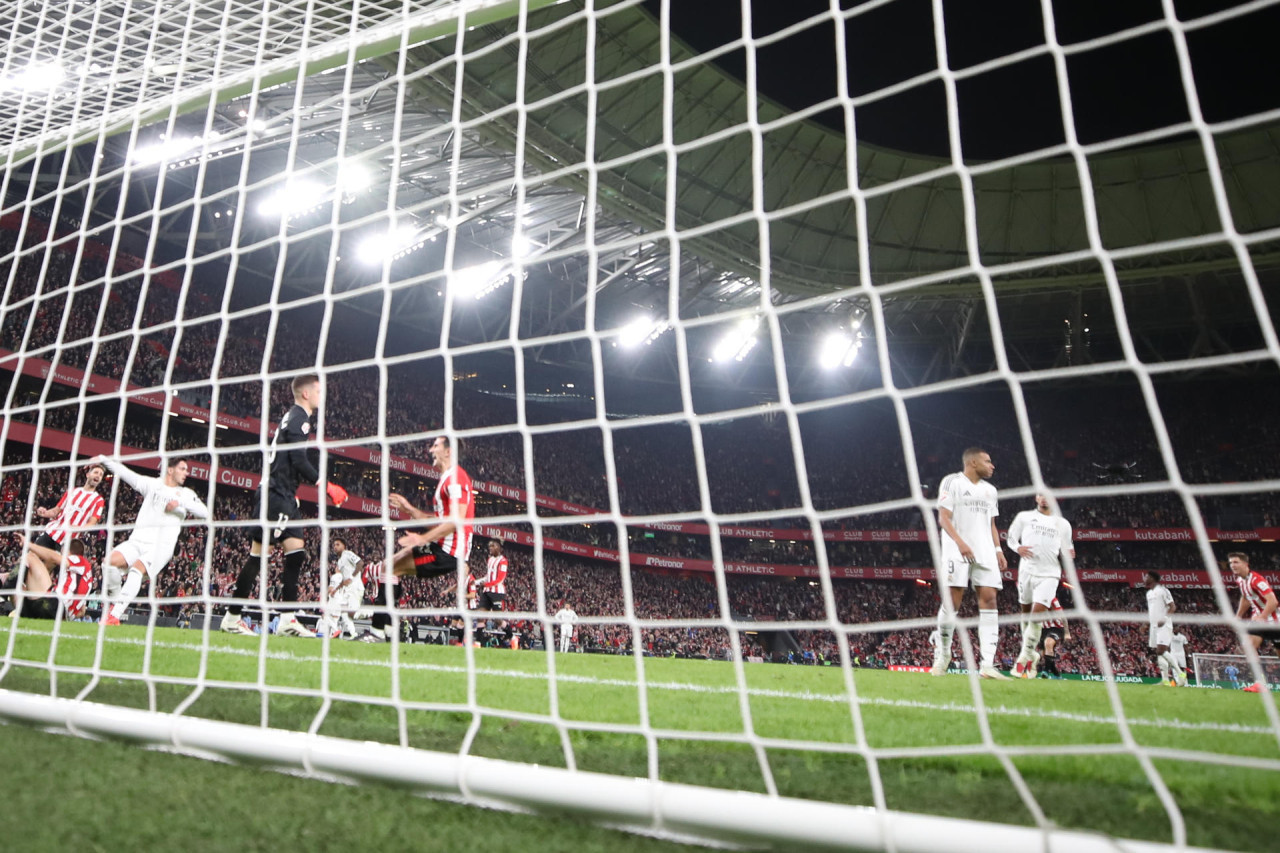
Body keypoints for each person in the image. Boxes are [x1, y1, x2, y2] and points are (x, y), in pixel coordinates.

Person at [220, 374, 348, 638]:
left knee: (296, 552)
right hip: (275, 495)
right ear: (305, 394)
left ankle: (288, 618)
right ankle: (232, 619)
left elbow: (285, 460)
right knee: (258, 557)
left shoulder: (293, 417)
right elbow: (298, 459)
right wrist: (326, 485)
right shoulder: (300, 419)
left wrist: (292, 493)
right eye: (318, 391)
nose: (321, 396)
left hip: (283, 495)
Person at [361, 435, 473, 643]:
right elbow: (440, 521)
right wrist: (410, 509)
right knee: (389, 567)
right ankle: (387, 630)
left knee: (390, 568)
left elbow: (455, 521)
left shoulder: (456, 478)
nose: (430, 450)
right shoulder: (447, 479)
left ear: (448, 451)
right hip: (443, 547)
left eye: (435, 446)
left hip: (449, 551)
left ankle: (378, 632)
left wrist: (422, 539)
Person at [96, 456, 210, 626]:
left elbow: (205, 512)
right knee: (108, 563)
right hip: (138, 540)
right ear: (170, 470)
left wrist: (179, 502)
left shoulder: (186, 494)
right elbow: (127, 474)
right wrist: (104, 460)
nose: (186, 473)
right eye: (182, 468)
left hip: (160, 547)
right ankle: (116, 601)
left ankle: (115, 615)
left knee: (136, 570)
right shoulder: (153, 485)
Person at [931, 447, 1009, 680]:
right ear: (973, 462)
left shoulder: (990, 491)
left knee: (990, 600)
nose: (992, 465)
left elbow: (991, 524)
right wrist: (960, 543)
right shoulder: (952, 482)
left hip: (985, 551)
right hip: (957, 550)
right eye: (988, 461)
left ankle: (987, 665)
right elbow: (943, 518)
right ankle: (943, 654)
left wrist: (998, 549)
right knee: (952, 602)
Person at [11, 462, 105, 606]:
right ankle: (10, 585)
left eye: (101, 475)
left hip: (65, 542)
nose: (98, 476)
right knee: (29, 557)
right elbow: (56, 511)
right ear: (88, 474)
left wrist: (78, 529)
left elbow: (92, 522)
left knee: (46, 568)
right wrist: (44, 512)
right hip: (51, 531)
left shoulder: (98, 500)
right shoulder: (72, 491)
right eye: (96, 472)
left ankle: (31, 600)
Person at [1006, 493, 1074, 678]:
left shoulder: (1063, 524)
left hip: (1050, 574)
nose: (1044, 498)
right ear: (1036, 498)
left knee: (1036, 616)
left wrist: (1069, 554)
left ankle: (1023, 658)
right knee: (1026, 615)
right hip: (1026, 572)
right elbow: (1010, 538)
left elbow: (1068, 549)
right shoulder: (1024, 517)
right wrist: (1017, 548)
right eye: (1041, 495)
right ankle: (1032, 654)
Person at [1228, 552, 1279, 693]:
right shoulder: (1240, 580)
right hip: (1259, 619)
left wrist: (1263, 616)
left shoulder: (1257, 580)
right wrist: (1238, 615)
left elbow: (1273, 601)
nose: (1233, 565)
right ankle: (1259, 682)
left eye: (1236, 562)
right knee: (1248, 646)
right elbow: (1246, 597)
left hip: (1274, 620)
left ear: (1245, 564)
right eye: (1231, 562)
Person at [317, 537, 363, 639]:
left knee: (352, 613)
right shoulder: (340, 561)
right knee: (344, 612)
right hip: (347, 590)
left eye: (338, 544)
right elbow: (343, 580)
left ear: (344, 546)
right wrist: (336, 589)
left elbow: (360, 563)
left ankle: (372, 611)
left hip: (355, 587)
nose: (335, 547)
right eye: (334, 545)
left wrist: (351, 577)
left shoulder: (347, 554)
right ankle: (353, 634)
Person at [1145, 570, 1185, 686]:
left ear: (1152, 578)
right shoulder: (1149, 594)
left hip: (1164, 625)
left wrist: (1164, 618)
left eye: (1146, 577)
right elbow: (1152, 612)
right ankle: (1165, 680)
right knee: (1159, 653)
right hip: (1154, 625)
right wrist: (1146, 624)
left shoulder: (1163, 591)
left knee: (1161, 650)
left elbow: (1173, 607)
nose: (1144, 579)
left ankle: (1180, 673)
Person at [54, 539, 94, 621]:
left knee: (31, 558)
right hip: (67, 611)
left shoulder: (78, 561)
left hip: (60, 602)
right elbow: (82, 612)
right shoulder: (85, 575)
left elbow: (53, 557)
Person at [1035, 597, 1071, 678]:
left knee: (1048, 643)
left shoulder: (1053, 600)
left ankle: (1046, 672)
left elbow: (1063, 616)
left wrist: (1067, 633)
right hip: (1043, 629)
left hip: (1056, 627)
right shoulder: (1035, 600)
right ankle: (1056, 674)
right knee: (1044, 653)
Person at [477, 539, 508, 612]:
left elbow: (500, 579)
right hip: (486, 592)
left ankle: (504, 624)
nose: (490, 548)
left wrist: (486, 584)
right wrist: (475, 582)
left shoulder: (503, 561)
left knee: (498, 619)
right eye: (489, 546)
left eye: (492, 546)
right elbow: (488, 576)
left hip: (497, 593)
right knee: (480, 615)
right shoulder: (490, 559)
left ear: (498, 547)